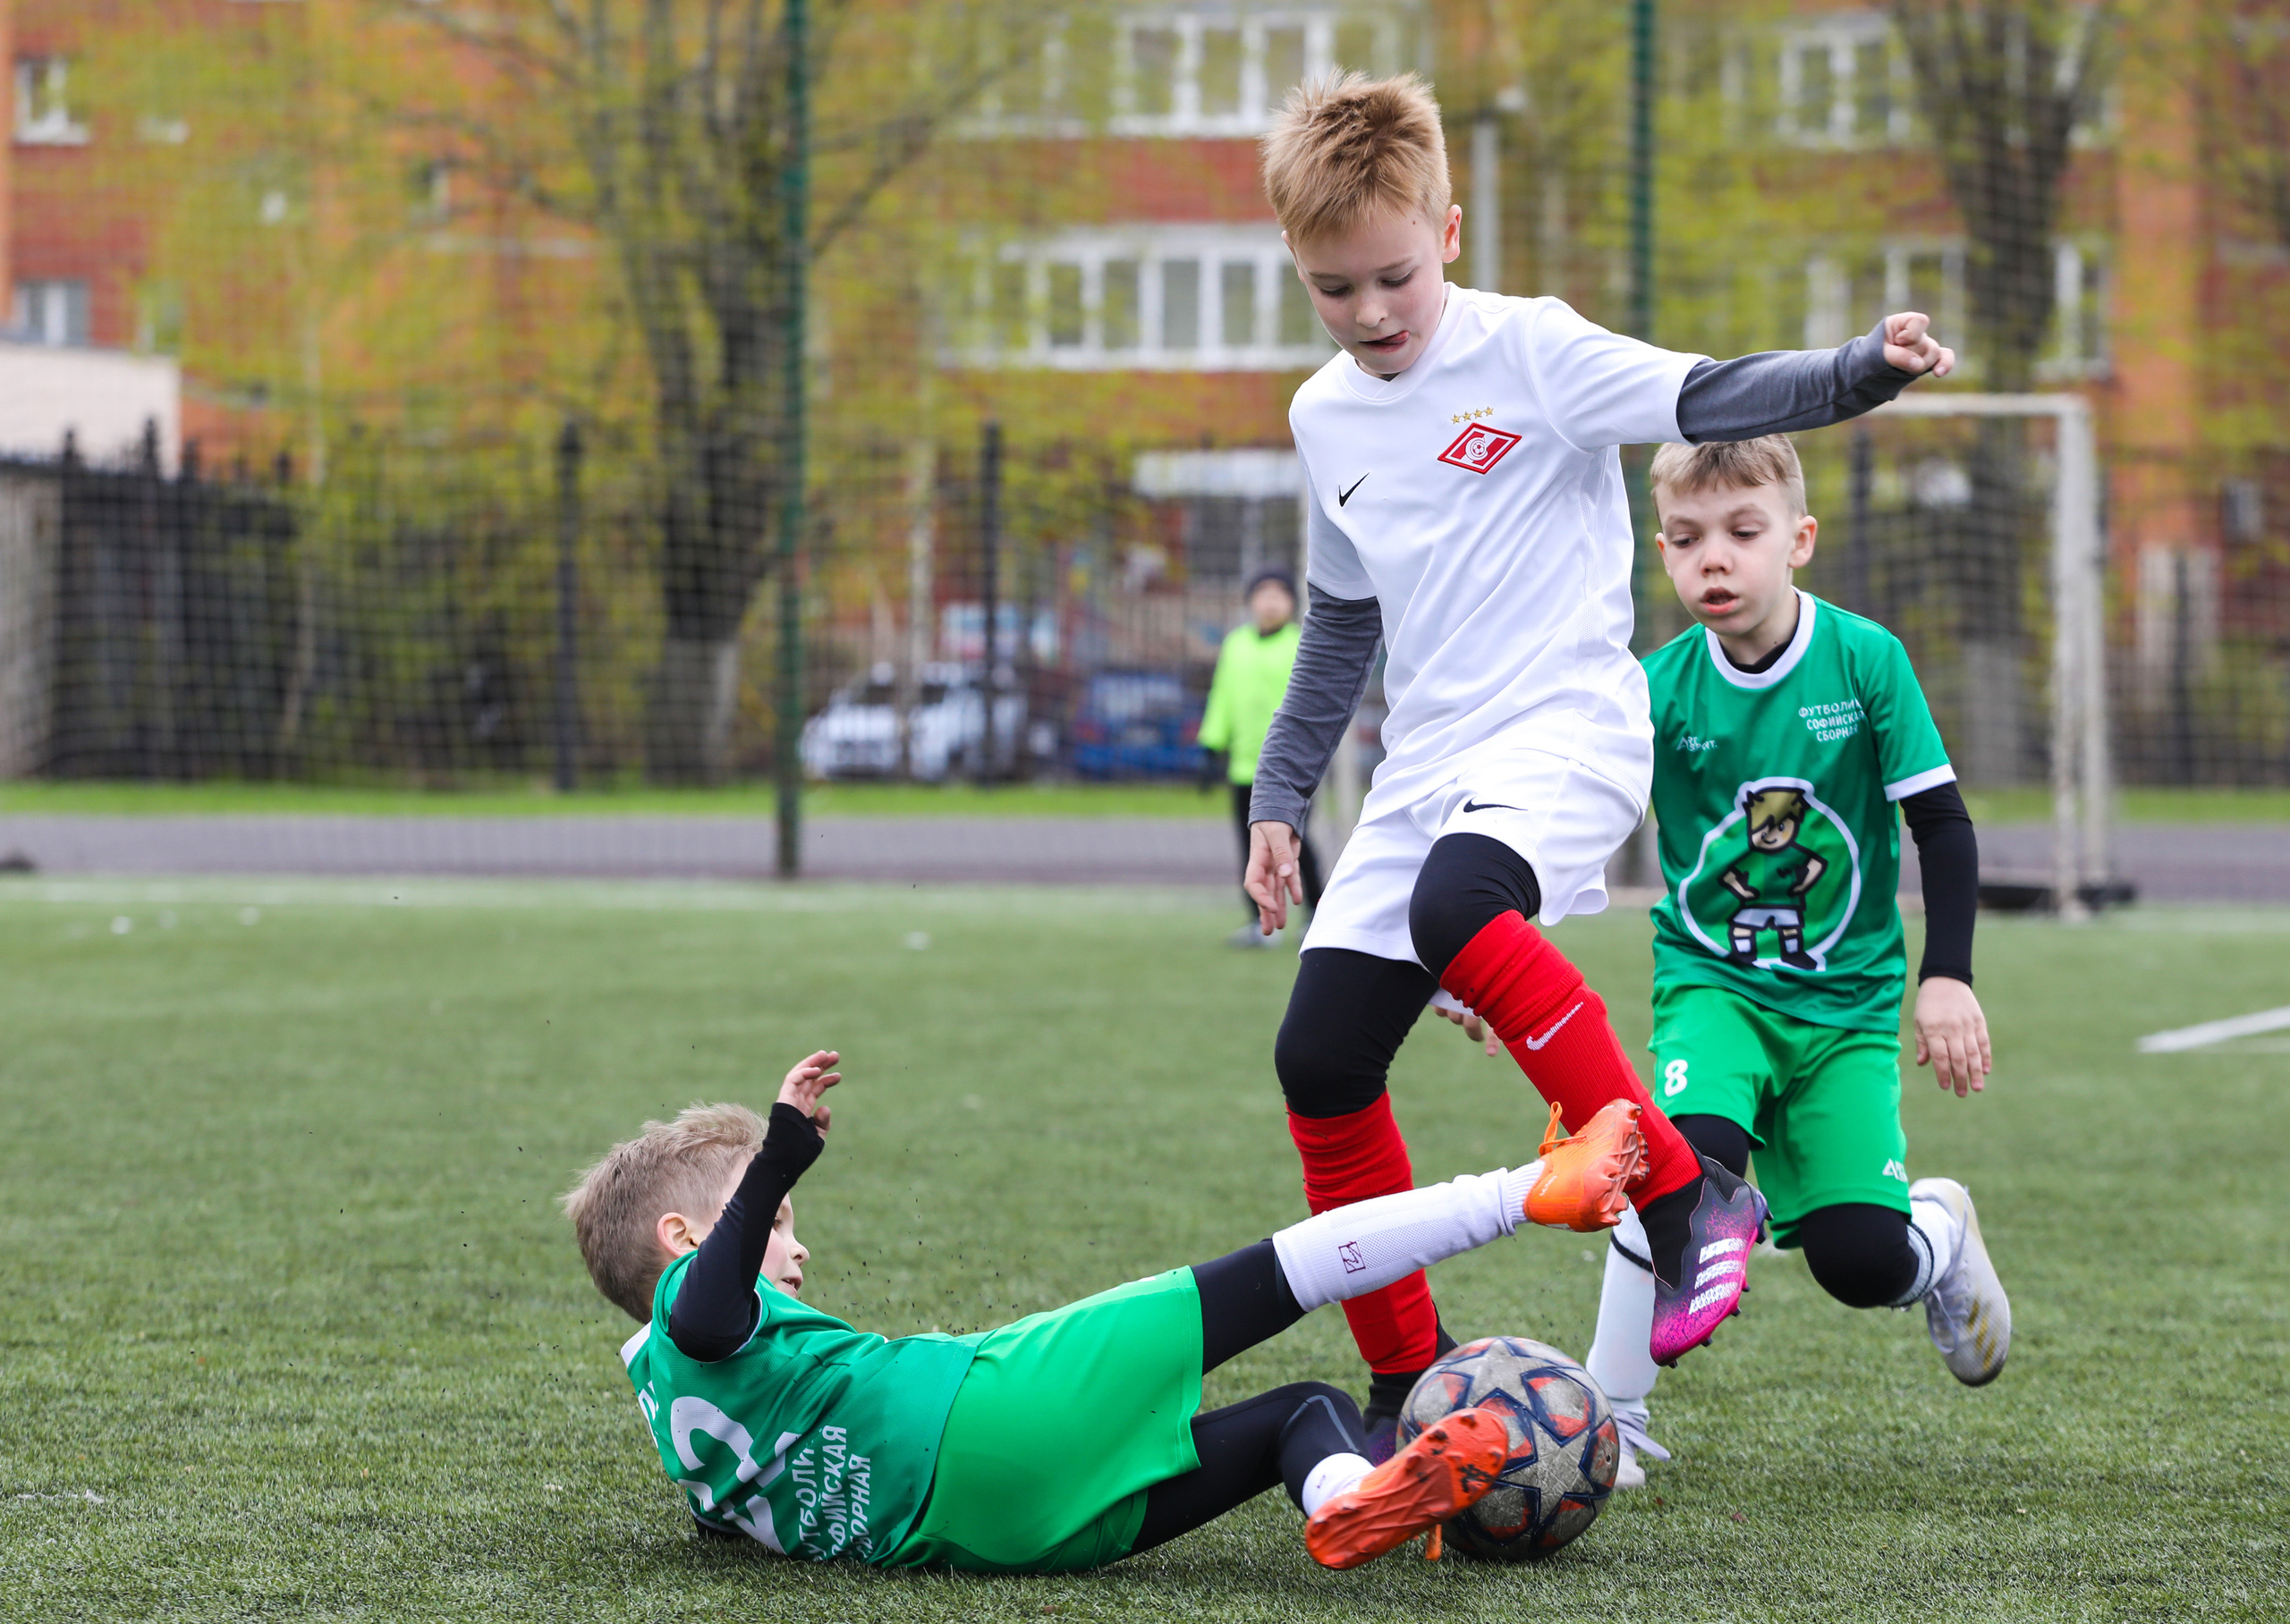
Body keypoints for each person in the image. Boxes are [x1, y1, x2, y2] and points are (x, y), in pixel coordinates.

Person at [1242, 71, 1957, 1449]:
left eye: (1394, 276)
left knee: (1459, 909)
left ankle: (1687, 1195)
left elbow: (1713, 391)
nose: (1374, 313)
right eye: (1337, 290)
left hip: (1569, 726)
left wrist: (1862, 370)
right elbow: (1340, 622)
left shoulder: (1534, 351)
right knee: (1321, 1058)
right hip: (1427, 766)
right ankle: (1407, 1388)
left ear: (1448, 232)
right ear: (1298, 267)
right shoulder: (1321, 418)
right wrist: (1282, 795)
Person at [562, 1047, 1645, 1573]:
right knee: (1281, 1272)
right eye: (779, 1223)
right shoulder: (697, 1317)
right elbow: (706, 1306)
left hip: (993, 1539)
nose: (796, 1245)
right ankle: (1528, 1189)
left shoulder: (668, 1407)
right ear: (683, 1243)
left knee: (1298, 1411)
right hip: (978, 1409)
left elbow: (723, 1496)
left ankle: (1349, 1496)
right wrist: (774, 1159)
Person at [1577, 436, 2006, 1484]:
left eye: (1740, 532)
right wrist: (1500, 944)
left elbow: (1941, 828)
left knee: (1859, 1264)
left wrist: (1943, 975)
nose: (1710, 560)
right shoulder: (1654, 688)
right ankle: (1610, 1417)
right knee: (1683, 1162)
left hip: (1846, 1009)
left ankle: (1938, 1231)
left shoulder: (1864, 661)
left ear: (1798, 540)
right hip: (1710, 986)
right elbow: (1575, 821)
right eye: (1683, 539)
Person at [1199, 563, 1327, 947]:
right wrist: (1211, 746)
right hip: (1243, 769)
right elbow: (1222, 697)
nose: (1270, 603)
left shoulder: (1300, 644)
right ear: (1251, 602)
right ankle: (1260, 919)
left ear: (1291, 602)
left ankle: (1317, 911)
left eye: (1279, 595)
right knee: (1249, 844)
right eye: (1263, 594)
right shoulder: (1236, 644)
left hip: (1292, 771)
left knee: (1295, 844)